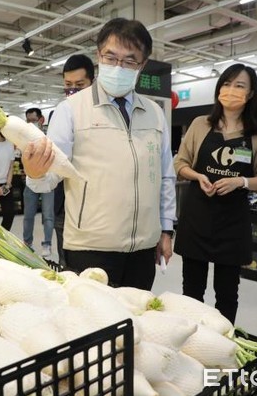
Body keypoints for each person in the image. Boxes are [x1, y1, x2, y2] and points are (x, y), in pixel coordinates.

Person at [22, 18, 176, 290]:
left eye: (130, 61)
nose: (119, 67)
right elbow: (50, 177)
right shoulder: (71, 109)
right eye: (111, 57)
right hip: (90, 246)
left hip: (142, 248)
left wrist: (166, 229)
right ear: (99, 57)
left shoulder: (154, 113)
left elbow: (165, 177)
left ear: (142, 65)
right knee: (92, 327)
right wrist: (34, 172)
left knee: (134, 325)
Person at [173, 63, 257, 324]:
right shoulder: (200, 124)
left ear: (250, 94)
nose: (231, 90)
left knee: (227, 294)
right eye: (227, 84)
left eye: (239, 86)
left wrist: (240, 182)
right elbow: (180, 163)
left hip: (232, 222)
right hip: (197, 216)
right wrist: (198, 176)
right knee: (192, 291)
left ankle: (222, 345)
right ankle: (193, 343)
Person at [53, 54, 95, 267]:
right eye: (68, 85)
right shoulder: (61, 112)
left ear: (92, 84)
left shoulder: (102, 116)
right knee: (68, 266)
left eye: (80, 85)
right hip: (64, 203)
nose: (73, 90)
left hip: (95, 208)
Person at [22, 107, 54, 257]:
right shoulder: (25, 138)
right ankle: (27, 243)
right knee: (28, 215)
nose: (30, 123)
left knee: (48, 215)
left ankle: (47, 244)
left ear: (41, 120)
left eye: (33, 120)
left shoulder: (51, 136)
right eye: (28, 121)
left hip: (48, 181)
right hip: (31, 180)